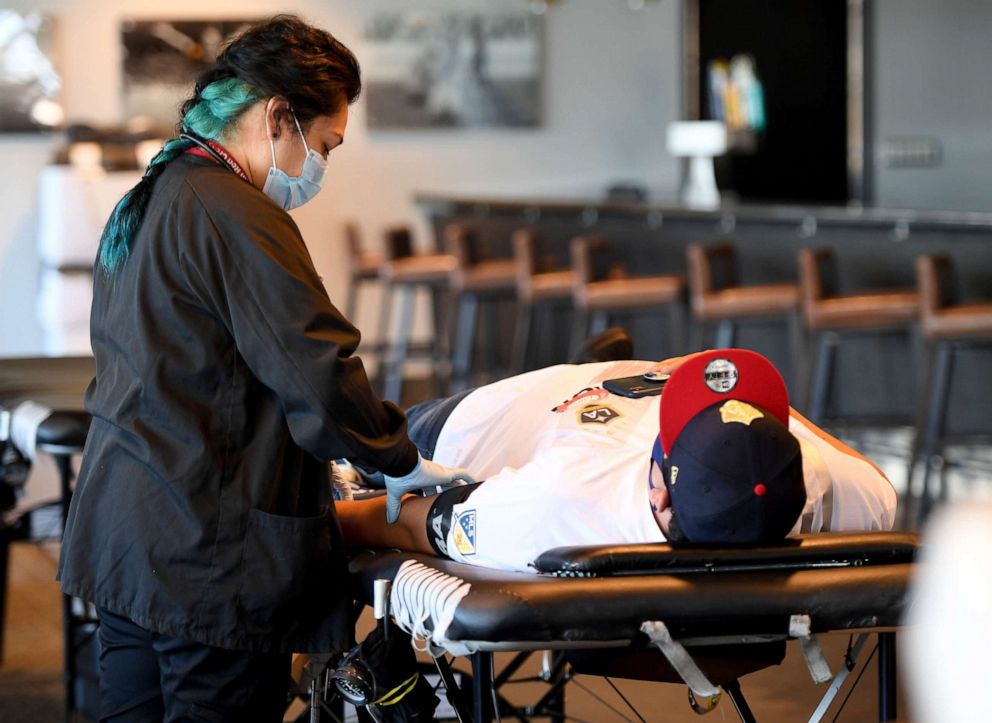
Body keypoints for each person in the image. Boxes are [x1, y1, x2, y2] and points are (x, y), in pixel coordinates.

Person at [56, 16, 474, 722]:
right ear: (280, 117)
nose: (321, 167)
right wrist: (395, 456)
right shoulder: (234, 213)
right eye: (326, 145)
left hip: (125, 540)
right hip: (200, 558)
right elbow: (314, 367)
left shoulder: (152, 196)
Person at [338, 347, 897, 573]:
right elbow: (876, 481)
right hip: (620, 388)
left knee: (351, 445)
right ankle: (603, 358)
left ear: (659, 495)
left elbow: (395, 523)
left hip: (466, 432)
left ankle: (598, 359)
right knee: (668, 365)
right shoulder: (823, 483)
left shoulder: (554, 504)